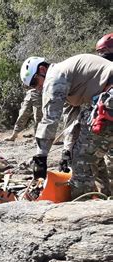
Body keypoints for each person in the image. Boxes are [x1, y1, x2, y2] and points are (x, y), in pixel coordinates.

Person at [20, 54, 112, 198]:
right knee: (93, 151)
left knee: (81, 158)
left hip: (109, 101)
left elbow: (50, 120)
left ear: (43, 70)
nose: (37, 88)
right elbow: (72, 120)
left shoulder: (54, 76)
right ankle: (106, 196)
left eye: (35, 82)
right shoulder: (70, 78)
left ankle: (83, 207)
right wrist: (67, 151)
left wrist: (40, 159)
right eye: (32, 86)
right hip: (107, 100)